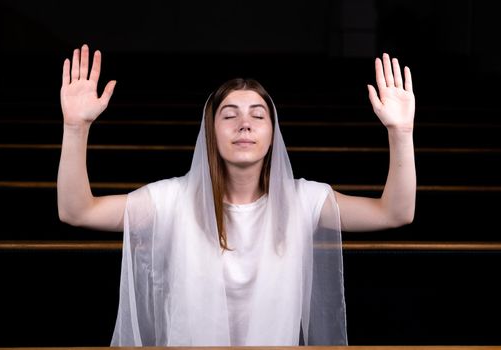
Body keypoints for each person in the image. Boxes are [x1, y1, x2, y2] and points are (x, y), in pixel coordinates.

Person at [58, 44, 416, 346]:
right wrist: (75, 128)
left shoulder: (305, 201)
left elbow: (395, 213)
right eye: (230, 115)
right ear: (210, 132)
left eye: (257, 116)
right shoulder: (171, 200)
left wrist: (401, 132)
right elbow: (78, 212)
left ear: (273, 134)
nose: (244, 124)